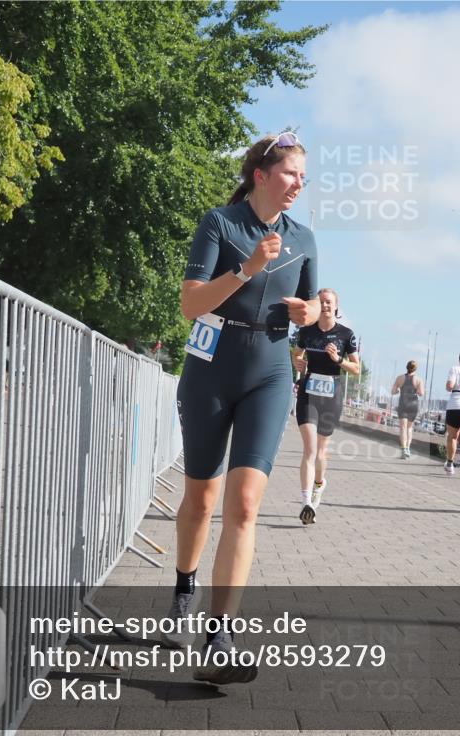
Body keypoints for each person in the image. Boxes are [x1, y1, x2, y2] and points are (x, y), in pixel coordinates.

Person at [170, 132, 320, 684]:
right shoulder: (220, 223)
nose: (299, 184)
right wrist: (247, 269)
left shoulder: (304, 238)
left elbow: (309, 315)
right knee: (201, 499)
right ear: (261, 174)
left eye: (304, 176)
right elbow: (190, 303)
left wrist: (308, 314)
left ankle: (219, 637)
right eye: (290, 174)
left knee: (245, 505)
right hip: (211, 368)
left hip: (271, 371)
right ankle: (185, 585)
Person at [292, 288, 361, 524]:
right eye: (321, 302)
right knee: (310, 450)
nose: (325, 305)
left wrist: (338, 360)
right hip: (308, 392)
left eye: (329, 302)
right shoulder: (306, 332)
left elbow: (356, 368)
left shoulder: (346, 334)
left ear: (336, 306)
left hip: (331, 394)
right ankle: (306, 502)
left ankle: (319, 484)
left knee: (321, 451)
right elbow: (296, 353)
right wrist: (298, 363)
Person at [391, 361, 425, 458]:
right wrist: (417, 390)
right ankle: (408, 449)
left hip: (403, 403)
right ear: (416, 369)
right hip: (413, 404)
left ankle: (403, 449)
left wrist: (398, 390)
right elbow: (421, 393)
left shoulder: (400, 378)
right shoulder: (419, 380)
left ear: (407, 367)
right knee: (409, 428)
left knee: (402, 428)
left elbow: (393, 391)